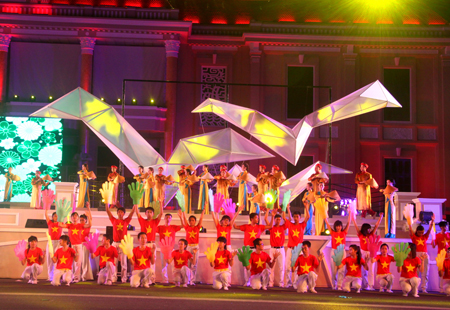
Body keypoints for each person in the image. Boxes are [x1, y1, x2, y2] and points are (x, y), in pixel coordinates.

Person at [234, 211, 272, 286]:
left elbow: (270, 226)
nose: (257, 219)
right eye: (256, 218)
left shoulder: (260, 227)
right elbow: (235, 226)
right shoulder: (246, 226)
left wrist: (272, 216)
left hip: (256, 249)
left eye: (257, 218)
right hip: (247, 249)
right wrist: (233, 215)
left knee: (256, 266)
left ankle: (257, 280)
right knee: (246, 266)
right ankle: (247, 281)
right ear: (251, 219)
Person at [58, 208, 92, 283]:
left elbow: (89, 224)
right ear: (71, 218)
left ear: (78, 218)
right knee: (70, 262)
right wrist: (62, 216)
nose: (75, 218)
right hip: (71, 245)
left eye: (76, 216)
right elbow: (60, 224)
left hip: (79, 245)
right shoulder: (69, 225)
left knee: (78, 262)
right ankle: (70, 277)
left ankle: (77, 277)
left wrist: (89, 216)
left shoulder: (81, 225)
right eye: (73, 216)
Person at [352, 213, 383, 290]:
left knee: (371, 270)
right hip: (363, 253)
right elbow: (356, 227)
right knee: (363, 270)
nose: (369, 230)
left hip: (371, 253)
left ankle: (371, 285)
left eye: (370, 228)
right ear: (365, 229)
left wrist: (380, 217)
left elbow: (376, 226)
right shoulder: (360, 235)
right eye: (368, 228)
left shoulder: (371, 234)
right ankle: (364, 285)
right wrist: (353, 219)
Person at [106, 203, 135, 283]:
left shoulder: (126, 221)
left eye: (122, 212)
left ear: (124, 214)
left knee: (123, 263)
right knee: (114, 262)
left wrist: (135, 204)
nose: (120, 213)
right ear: (117, 213)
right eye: (119, 212)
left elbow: (132, 213)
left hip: (123, 244)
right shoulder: (114, 220)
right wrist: (106, 203)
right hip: (115, 243)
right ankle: (114, 277)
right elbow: (108, 211)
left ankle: (124, 278)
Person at [282, 204, 309, 287]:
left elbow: (308, 217)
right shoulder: (290, 224)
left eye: (297, 217)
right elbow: (283, 217)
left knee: (298, 268)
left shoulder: (302, 225)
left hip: (299, 250)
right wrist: (286, 207)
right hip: (290, 248)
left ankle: (296, 283)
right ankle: (288, 283)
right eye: (294, 217)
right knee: (287, 267)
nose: (296, 218)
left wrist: (306, 206)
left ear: (300, 217)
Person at [408, 213, 434, 293]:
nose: (421, 234)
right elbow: (410, 230)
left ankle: (424, 288)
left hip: (424, 254)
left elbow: (429, 230)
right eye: (419, 232)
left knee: (425, 272)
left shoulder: (424, 237)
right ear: (417, 231)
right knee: (416, 272)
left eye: (422, 232)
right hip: (416, 254)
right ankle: (414, 287)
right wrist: (409, 221)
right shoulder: (414, 237)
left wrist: (432, 221)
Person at [325, 212, 351, 290]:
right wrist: (325, 214)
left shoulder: (344, 232)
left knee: (342, 270)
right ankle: (334, 284)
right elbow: (327, 222)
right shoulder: (333, 233)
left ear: (341, 226)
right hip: (334, 252)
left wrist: (350, 213)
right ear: (335, 227)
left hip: (342, 252)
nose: (338, 227)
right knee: (334, 269)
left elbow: (349, 223)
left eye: (339, 226)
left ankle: (339, 285)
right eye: (337, 226)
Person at [180, 209, 205, 285]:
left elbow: (201, 219)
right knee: (187, 263)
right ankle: (187, 279)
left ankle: (192, 280)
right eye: (190, 220)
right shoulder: (187, 227)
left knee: (194, 264)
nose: (191, 222)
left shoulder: (197, 227)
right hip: (188, 247)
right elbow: (184, 219)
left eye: (193, 220)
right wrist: (183, 211)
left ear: (195, 221)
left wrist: (203, 211)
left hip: (195, 247)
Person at [157, 213, 182, 283]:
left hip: (171, 249)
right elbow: (153, 228)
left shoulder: (173, 227)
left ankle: (175, 279)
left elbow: (183, 226)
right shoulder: (160, 227)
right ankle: (165, 279)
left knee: (173, 265)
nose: (168, 219)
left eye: (169, 218)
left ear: (171, 219)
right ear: (164, 218)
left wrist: (181, 217)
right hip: (163, 249)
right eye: (166, 217)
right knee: (163, 265)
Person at [266, 210, 286, 287]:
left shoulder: (282, 227)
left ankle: (281, 283)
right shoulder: (271, 227)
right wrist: (271, 215)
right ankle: (271, 283)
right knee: (271, 267)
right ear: (274, 220)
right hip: (273, 249)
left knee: (282, 266)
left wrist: (284, 210)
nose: (278, 220)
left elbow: (288, 221)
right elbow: (265, 219)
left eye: (279, 219)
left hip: (281, 249)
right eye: (276, 219)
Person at [45, 209, 62, 282]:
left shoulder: (60, 223)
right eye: (55, 216)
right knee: (50, 260)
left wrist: (62, 203)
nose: (56, 217)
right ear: (52, 217)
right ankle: (50, 276)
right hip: (51, 242)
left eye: (57, 216)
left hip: (58, 242)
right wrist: (46, 209)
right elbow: (46, 216)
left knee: (57, 260)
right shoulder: (50, 223)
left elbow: (62, 213)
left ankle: (57, 276)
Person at [433, 221, 450, 292]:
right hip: (441, 257)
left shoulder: (449, 234)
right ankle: (441, 288)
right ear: (441, 227)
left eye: (446, 226)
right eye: (444, 227)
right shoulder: (437, 236)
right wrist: (433, 237)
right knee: (441, 272)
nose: (445, 228)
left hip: (448, 256)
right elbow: (434, 245)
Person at [80, 211, 93, 281]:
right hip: (78, 244)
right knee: (78, 260)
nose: (81, 221)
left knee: (85, 260)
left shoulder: (87, 226)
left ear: (85, 220)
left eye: (83, 220)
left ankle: (84, 276)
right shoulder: (78, 226)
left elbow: (90, 221)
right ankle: (77, 275)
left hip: (85, 244)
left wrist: (88, 211)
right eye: (80, 220)